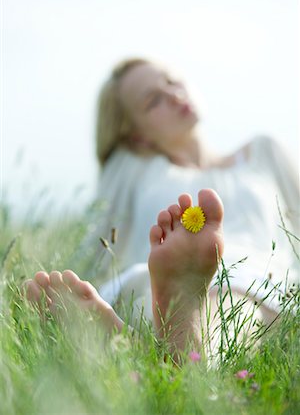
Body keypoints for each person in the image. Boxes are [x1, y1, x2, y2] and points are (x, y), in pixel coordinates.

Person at [24, 58, 300, 360]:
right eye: (153, 100)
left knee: (231, 302)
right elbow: (99, 243)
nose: (172, 95)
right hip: (150, 282)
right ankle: (181, 345)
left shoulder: (264, 152)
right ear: (135, 134)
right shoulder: (132, 168)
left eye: (172, 80)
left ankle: (141, 348)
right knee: (150, 297)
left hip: (256, 283)